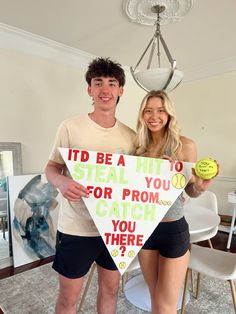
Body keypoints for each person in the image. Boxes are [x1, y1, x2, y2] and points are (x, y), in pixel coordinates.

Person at [45, 57, 136, 314]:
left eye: (111, 83)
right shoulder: (70, 127)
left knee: (110, 291)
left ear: (120, 91)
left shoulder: (131, 137)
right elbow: (52, 167)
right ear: (90, 89)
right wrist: (61, 181)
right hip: (77, 228)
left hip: (116, 229)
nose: (105, 90)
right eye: (98, 83)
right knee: (68, 299)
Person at [135, 90, 217, 314]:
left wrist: (199, 186)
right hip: (144, 229)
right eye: (148, 110)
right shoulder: (137, 150)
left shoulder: (185, 146)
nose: (154, 116)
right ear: (142, 115)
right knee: (154, 298)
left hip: (173, 229)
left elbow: (192, 190)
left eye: (161, 110)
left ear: (169, 114)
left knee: (167, 306)